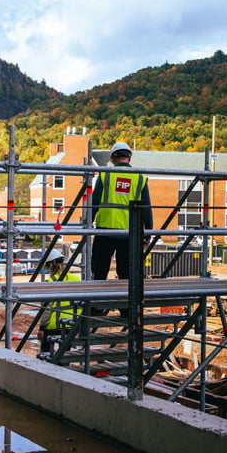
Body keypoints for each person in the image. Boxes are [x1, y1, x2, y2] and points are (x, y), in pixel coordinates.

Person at [89, 141, 153, 282]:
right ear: (129, 158)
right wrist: (148, 230)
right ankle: (125, 304)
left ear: (113, 159)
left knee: (99, 271)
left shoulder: (106, 175)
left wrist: (88, 224)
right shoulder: (139, 178)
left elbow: (94, 203)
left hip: (105, 231)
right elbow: (146, 207)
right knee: (126, 274)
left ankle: (95, 303)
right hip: (129, 233)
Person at [40, 249, 79, 355]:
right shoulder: (76, 279)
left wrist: (41, 327)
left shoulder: (50, 282)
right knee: (65, 356)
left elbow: (47, 308)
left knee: (46, 356)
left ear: (50, 265)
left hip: (53, 325)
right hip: (71, 324)